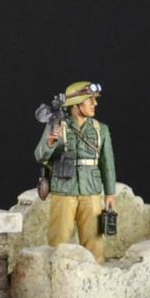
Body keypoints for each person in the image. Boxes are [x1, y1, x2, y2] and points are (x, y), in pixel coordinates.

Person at [34, 81, 116, 259]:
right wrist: (50, 144)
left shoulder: (101, 129)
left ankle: (95, 272)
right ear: (76, 105)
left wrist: (110, 193)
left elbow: (107, 163)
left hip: (91, 190)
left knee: (94, 241)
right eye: (90, 100)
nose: (95, 104)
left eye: (94, 100)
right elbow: (39, 155)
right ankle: (56, 270)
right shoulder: (57, 125)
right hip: (63, 189)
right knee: (58, 239)